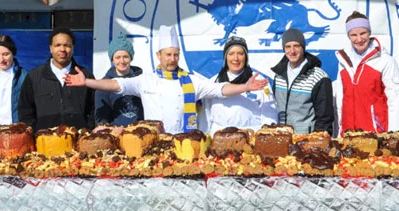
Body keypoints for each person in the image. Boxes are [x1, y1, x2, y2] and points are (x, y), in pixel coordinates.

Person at [64, 25, 268, 134]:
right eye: (168, 55)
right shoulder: (146, 80)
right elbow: (116, 84)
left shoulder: (192, 81)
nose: (172, 59)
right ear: (159, 56)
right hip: (154, 141)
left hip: (185, 141)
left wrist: (244, 87)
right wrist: (87, 82)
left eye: (175, 55)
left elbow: (220, 90)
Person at [18, 27, 96, 132]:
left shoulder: (85, 76)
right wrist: (36, 132)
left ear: (73, 48)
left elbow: (93, 109)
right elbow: (25, 111)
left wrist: (86, 130)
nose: (62, 49)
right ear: (50, 48)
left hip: (78, 142)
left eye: (67, 45)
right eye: (57, 45)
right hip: (45, 143)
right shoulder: (34, 77)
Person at [335, 11, 399, 135]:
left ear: (369, 32)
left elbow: (395, 100)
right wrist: (339, 131)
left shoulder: (385, 61)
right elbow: (340, 100)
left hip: (375, 133)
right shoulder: (343, 61)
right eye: (353, 35)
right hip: (348, 133)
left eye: (363, 33)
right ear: (348, 36)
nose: (359, 39)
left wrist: (393, 134)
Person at [200, 36, 278, 135]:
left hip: (251, 135)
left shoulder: (258, 81)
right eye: (231, 54)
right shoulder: (214, 82)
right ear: (225, 57)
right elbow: (205, 115)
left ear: (246, 57)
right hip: (220, 137)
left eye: (240, 54)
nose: (236, 58)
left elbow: (269, 113)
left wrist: (267, 136)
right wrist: (205, 137)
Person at [271, 28, 334, 135]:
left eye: (296, 46)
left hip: (305, 140)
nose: (292, 51)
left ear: (303, 47)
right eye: (288, 47)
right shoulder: (279, 75)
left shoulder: (318, 77)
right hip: (281, 138)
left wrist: (319, 143)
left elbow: (324, 118)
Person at [95, 34, 144, 126]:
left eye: (125, 57)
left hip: (141, 132)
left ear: (131, 58)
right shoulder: (104, 85)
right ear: (112, 60)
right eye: (117, 57)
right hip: (116, 133)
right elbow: (101, 118)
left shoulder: (142, 79)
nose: (122, 61)